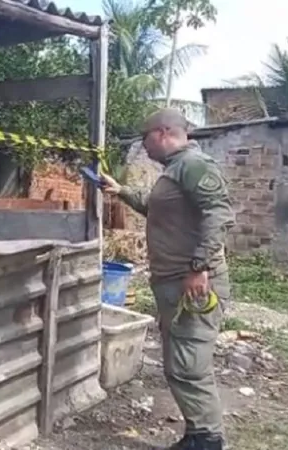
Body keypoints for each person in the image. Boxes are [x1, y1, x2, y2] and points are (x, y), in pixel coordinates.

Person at [101, 108, 235, 450]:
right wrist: (121, 191)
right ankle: (197, 434)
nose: (143, 147)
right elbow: (157, 207)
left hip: (193, 283)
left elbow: (218, 212)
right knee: (180, 363)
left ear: (162, 133)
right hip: (174, 283)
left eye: (144, 138)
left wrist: (198, 266)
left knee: (189, 365)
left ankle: (207, 441)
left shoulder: (194, 165)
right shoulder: (175, 170)